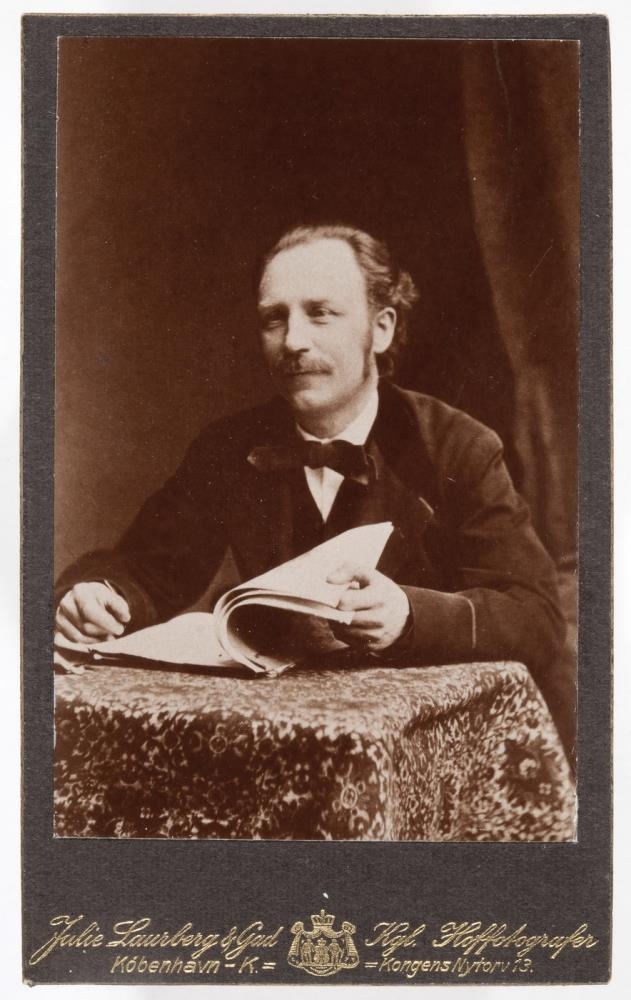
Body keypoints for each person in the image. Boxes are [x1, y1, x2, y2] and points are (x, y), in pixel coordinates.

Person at [54, 224, 566, 714]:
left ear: (381, 329)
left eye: (320, 313)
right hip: (283, 728)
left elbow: (536, 615)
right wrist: (98, 595)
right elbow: (146, 567)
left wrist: (410, 615)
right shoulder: (227, 449)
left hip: (427, 745)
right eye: (274, 319)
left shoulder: (456, 446)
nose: (293, 340)